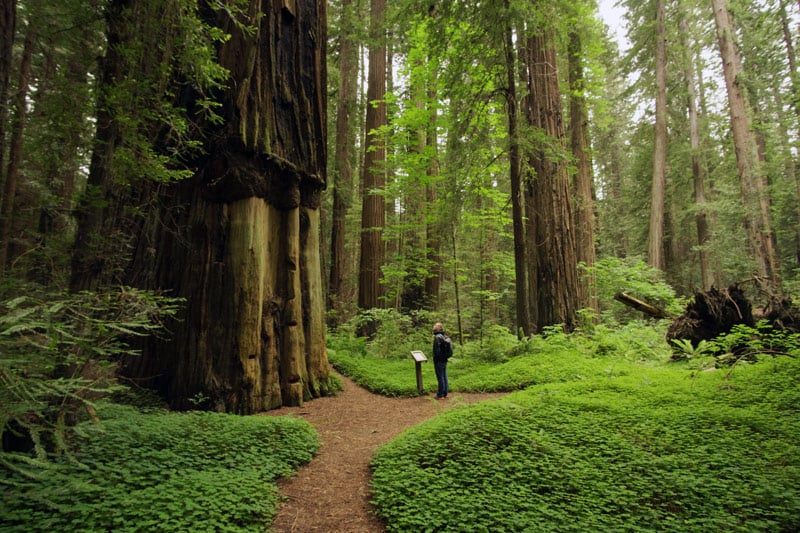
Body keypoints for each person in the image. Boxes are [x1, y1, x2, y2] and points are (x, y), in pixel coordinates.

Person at [432, 322, 450, 400]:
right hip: (444, 359)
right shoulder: (444, 336)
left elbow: (437, 350)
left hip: (439, 360)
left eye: (435, 326)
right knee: (444, 376)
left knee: (440, 377)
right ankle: (445, 393)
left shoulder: (437, 337)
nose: (433, 327)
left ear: (438, 328)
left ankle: (440, 395)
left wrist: (436, 358)